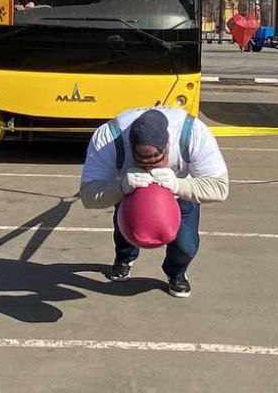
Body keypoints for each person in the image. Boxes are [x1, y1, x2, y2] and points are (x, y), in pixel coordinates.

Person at [79, 107, 229, 298]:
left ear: (167, 147)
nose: (149, 169)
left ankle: (176, 273)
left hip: (180, 192)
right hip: (130, 191)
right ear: (130, 148)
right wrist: (121, 187)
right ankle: (124, 259)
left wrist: (178, 185)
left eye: (156, 162)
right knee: (126, 228)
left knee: (186, 246)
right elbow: (88, 195)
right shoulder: (108, 138)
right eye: (142, 162)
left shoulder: (192, 133)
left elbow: (220, 187)